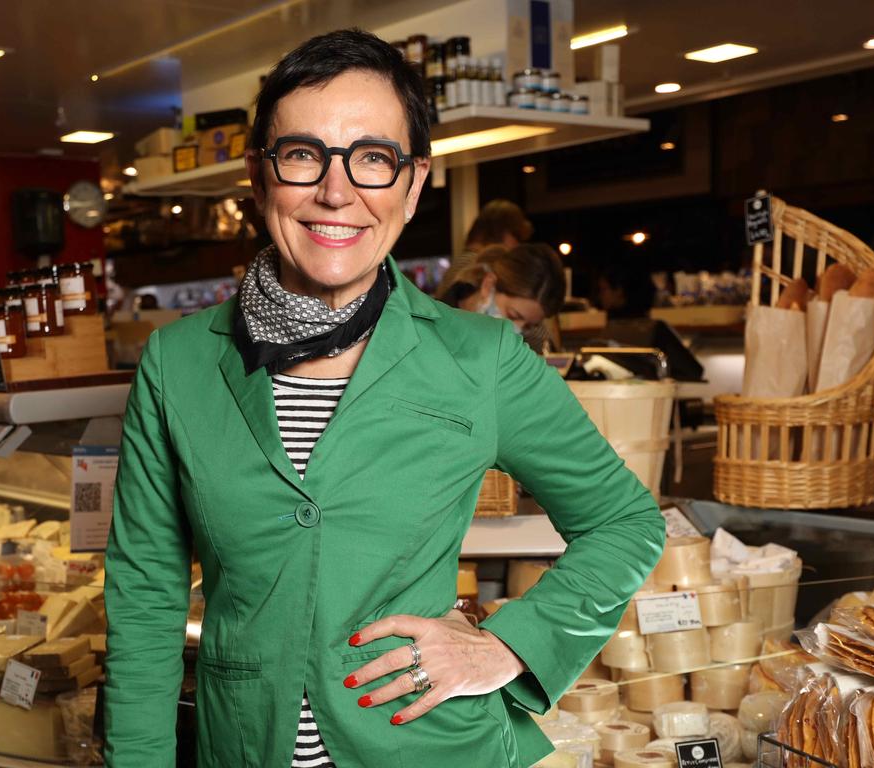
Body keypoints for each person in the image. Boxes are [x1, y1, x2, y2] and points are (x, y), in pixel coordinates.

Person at [104, 28, 664, 768]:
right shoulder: (178, 363)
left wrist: (507, 646)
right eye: (303, 155)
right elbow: (146, 594)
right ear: (258, 174)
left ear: (414, 180)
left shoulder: (480, 357)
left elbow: (625, 522)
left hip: (434, 747)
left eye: (373, 158)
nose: (336, 192)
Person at [435, 242, 566, 334]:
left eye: (528, 327)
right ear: (488, 284)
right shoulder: (434, 327)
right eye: (512, 315)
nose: (517, 331)